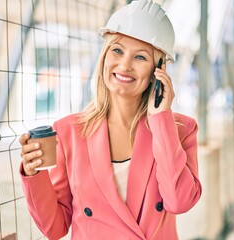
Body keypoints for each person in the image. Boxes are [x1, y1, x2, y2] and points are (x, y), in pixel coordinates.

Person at [19, 0, 202, 239]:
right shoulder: (68, 132)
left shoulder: (180, 130)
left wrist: (161, 119)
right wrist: (35, 174)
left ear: (159, 71)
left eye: (140, 57)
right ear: (104, 56)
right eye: (117, 50)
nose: (125, 65)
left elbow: (179, 202)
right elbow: (54, 228)